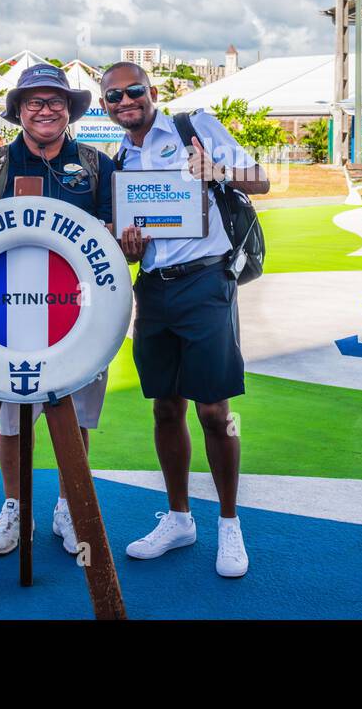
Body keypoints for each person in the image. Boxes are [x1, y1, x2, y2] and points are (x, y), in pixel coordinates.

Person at [103, 62, 269, 578]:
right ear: (106, 107)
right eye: (113, 96)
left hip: (205, 283)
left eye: (133, 91)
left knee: (215, 412)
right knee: (165, 410)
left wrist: (216, 172)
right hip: (153, 289)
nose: (125, 101)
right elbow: (130, 241)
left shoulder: (191, 127)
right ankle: (179, 518)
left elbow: (259, 180)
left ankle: (229, 523)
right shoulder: (119, 159)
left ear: (151, 92)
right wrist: (127, 245)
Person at [0, 65, 118, 558]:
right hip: (9, 314)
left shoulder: (98, 165)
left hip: (81, 314)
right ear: (19, 111)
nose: (45, 109)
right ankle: (14, 508)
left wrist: (126, 236)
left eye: (55, 101)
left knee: (77, 417)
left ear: (69, 109)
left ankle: (69, 504)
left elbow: (119, 238)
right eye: (34, 101)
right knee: (11, 414)